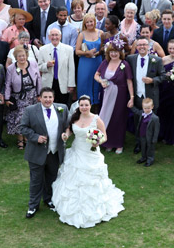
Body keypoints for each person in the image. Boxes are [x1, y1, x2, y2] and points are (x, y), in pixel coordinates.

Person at [52, 95, 125, 228]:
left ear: (90, 105)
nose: (84, 107)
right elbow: (70, 129)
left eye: (86, 105)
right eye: (82, 105)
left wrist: (97, 142)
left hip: (91, 154)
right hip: (76, 152)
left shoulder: (96, 119)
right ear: (78, 106)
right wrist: (66, 135)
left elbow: (104, 136)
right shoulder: (75, 117)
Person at [19, 88, 70, 219]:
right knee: (36, 180)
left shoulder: (62, 108)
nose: (48, 100)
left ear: (54, 98)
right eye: (45, 97)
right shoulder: (30, 110)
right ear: (39, 98)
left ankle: (49, 200)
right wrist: (36, 137)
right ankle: (33, 206)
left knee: (51, 178)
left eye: (50, 97)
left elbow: (68, 125)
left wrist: (65, 133)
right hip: (36, 153)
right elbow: (22, 127)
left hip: (54, 152)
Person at [126, 38, 165, 153]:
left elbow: (163, 76)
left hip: (151, 97)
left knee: (151, 123)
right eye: (139, 45)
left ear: (148, 47)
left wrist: (152, 80)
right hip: (137, 96)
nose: (142, 47)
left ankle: (150, 145)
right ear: (136, 47)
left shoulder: (156, 60)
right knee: (138, 122)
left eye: (144, 45)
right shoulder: (130, 59)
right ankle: (138, 144)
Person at [94, 42, 134, 154]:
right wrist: (101, 81)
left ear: (120, 52)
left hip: (119, 96)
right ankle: (108, 142)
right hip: (106, 94)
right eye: (111, 52)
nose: (113, 54)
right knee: (106, 117)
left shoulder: (124, 64)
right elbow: (96, 75)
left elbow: (129, 81)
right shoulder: (105, 63)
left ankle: (118, 144)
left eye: (116, 52)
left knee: (118, 118)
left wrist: (132, 97)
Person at [5, 45, 42, 149]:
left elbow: (38, 79)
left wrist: (40, 94)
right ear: (16, 57)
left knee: (31, 119)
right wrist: (7, 98)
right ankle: (20, 139)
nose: (22, 58)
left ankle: (28, 138)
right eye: (19, 56)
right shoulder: (11, 68)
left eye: (24, 55)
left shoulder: (33, 64)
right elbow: (7, 84)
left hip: (32, 97)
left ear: (27, 55)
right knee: (20, 119)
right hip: (19, 98)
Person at [37, 28, 76, 105]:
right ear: (49, 37)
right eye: (52, 35)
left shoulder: (69, 49)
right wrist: (46, 65)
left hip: (63, 83)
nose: (54, 37)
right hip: (48, 83)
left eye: (56, 35)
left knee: (62, 106)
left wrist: (71, 84)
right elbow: (39, 67)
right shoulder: (42, 49)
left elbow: (71, 68)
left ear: (60, 36)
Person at [76, 14, 103, 104]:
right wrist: (87, 53)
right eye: (87, 22)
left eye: (91, 21)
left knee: (97, 83)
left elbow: (104, 49)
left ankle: (96, 105)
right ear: (84, 23)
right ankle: (84, 104)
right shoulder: (81, 34)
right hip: (85, 63)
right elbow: (77, 51)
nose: (89, 24)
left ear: (94, 22)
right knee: (84, 83)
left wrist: (98, 53)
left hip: (98, 61)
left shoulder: (101, 33)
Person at [131, 98, 160, 166]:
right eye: (145, 108)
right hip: (142, 134)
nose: (146, 110)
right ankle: (143, 157)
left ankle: (150, 159)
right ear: (142, 107)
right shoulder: (142, 113)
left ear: (152, 107)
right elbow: (136, 111)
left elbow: (156, 129)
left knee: (150, 148)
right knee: (143, 147)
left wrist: (155, 138)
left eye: (148, 108)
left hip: (150, 136)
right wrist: (131, 107)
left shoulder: (155, 118)